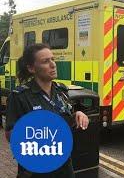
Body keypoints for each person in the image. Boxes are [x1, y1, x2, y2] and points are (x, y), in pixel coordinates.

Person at [5, 43, 90, 178]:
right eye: (45, 61)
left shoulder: (61, 91)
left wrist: (77, 115)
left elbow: (65, 118)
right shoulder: (20, 96)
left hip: (64, 166)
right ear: (31, 68)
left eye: (53, 59)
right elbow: (10, 134)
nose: (53, 64)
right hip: (36, 170)